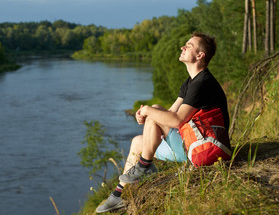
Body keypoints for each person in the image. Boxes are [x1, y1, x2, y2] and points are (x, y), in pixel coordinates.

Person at [96, 32, 230, 213]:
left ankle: (144, 166)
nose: (183, 47)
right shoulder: (191, 82)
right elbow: (170, 113)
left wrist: (148, 111)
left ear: (200, 55)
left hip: (205, 147)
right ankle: (118, 195)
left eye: (189, 46)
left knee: (153, 112)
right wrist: (147, 112)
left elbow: (176, 121)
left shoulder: (203, 83)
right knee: (138, 139)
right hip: (193, 142)